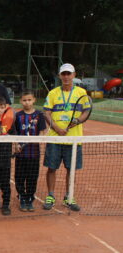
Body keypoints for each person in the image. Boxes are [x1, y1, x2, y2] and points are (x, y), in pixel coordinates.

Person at [42, 63, 91, 212]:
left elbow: (86, 112)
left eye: (69, 74)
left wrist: (76, 121)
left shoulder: (82, 93)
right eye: (63, 74)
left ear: (74, 75)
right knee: (51, 168)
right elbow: (46, 113)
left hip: (74, 139)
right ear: (59, 76)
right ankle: (50, 195)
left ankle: (69, 196)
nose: (66, 77)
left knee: (71, 169)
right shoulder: (53, 93)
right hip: (55, 139)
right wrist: (56, 128)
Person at [14, 90, 46, 211]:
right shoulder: (18, 116)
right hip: (21, 155)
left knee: (32, 177)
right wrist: (16, 144)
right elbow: (15, 133)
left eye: (29, 100)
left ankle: (30, 198)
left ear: (34, 100)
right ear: (20, 101)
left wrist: (40, 138)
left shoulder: (39, 115)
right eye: (24, 100)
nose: (27, 102)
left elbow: (42, 131)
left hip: (34, 154)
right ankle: (22, 196)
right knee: (19, 177)